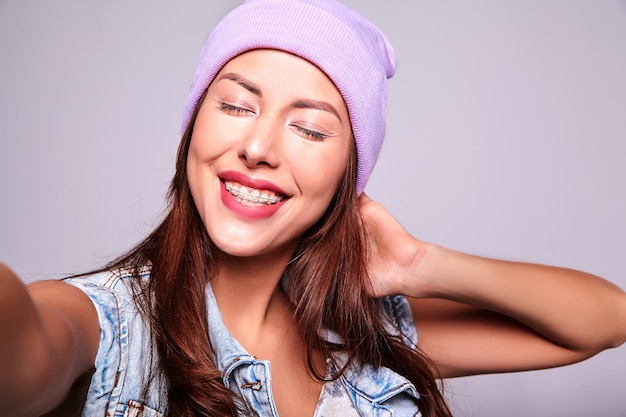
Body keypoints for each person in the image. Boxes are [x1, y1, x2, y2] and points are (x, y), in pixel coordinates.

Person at [1, 0, 625, 416]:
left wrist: (421, 263)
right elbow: (24, 350)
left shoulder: (366, 336)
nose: (256, 147)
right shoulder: (103, 323)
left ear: (349, 176)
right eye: (237, 106)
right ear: (194, 127)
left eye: (310, 129)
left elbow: (605, 321)